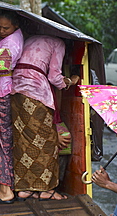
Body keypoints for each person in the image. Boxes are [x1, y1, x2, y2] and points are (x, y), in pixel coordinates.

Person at [11, 35, 77, 200]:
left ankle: (25, 188)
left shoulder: (30, 38)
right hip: (35, 92)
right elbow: (54, 77)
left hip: (16, 91)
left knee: (23, 142)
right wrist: (70, 81)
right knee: (48, 141)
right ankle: (46, 189)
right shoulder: (58, 42)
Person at [0, 12, 24, 203]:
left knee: (2, 141)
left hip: (1, 91)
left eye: (5, 28)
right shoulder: (12, 37)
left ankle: (5, 189)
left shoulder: (12, 43)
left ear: (15, 25)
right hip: (3, 89)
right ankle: (4, 186)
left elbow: (2, 65)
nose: (1, 31)